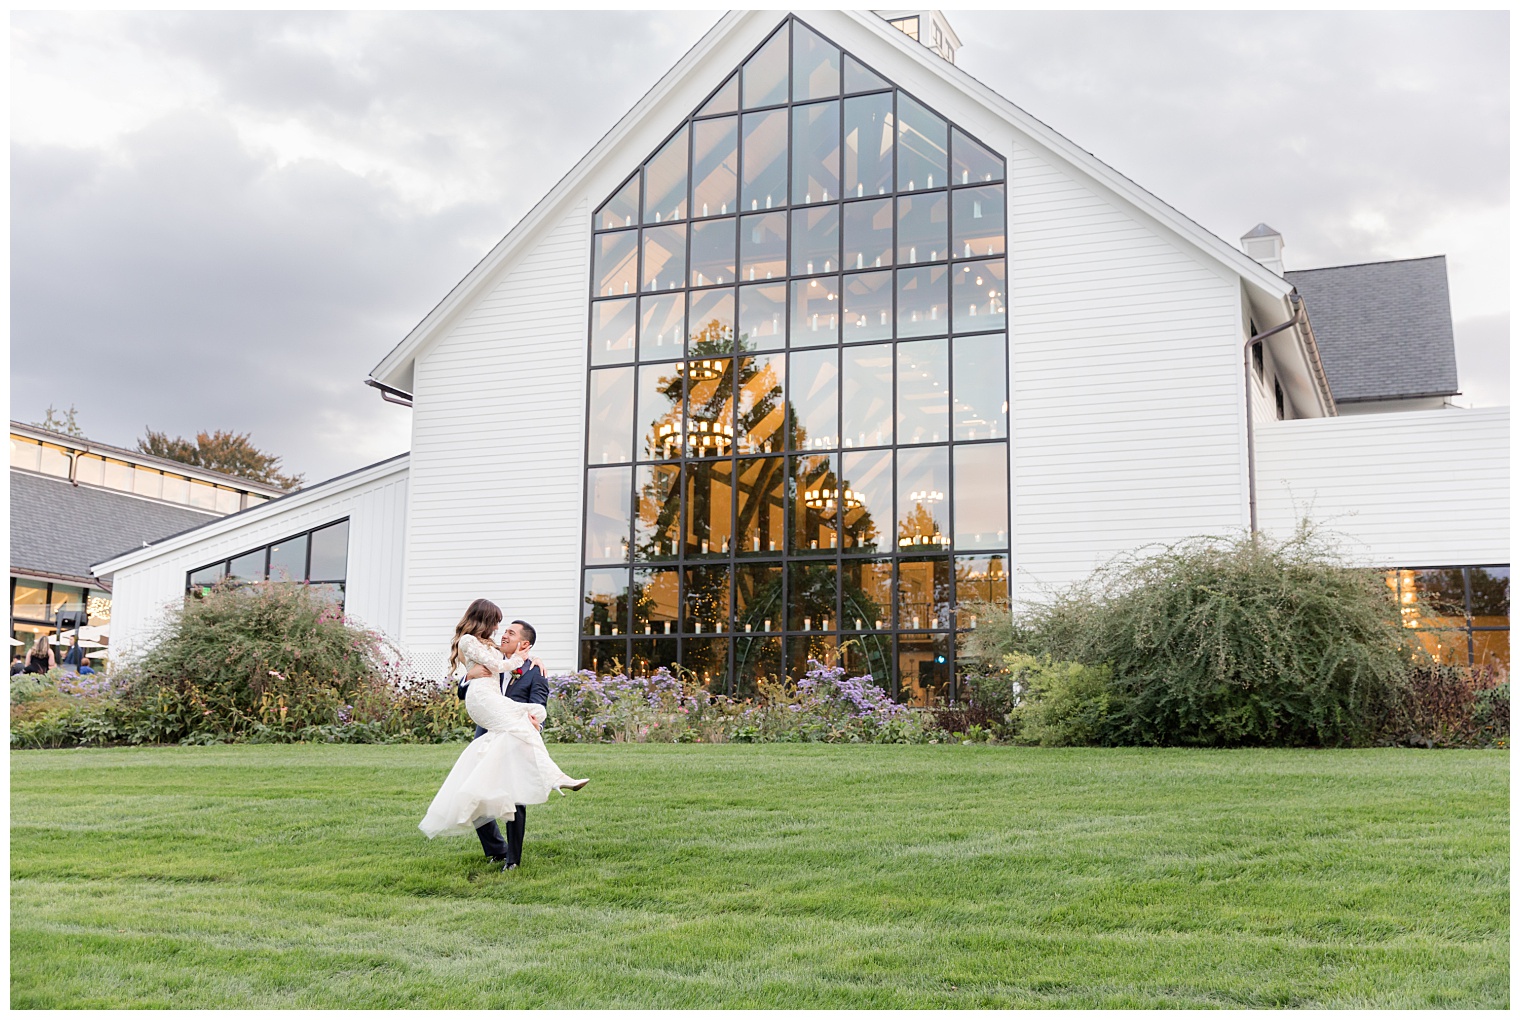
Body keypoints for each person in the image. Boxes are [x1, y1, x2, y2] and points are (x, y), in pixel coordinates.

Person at [419, 600, 587, 871]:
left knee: (515, 799)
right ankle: (496, 849)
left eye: (511, 633)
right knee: (473, 794)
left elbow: (538, 707)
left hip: (513, 736)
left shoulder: (535, 672)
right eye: (503, 629)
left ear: (525, 644)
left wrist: (536, 723)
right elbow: (466, 688)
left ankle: (513, 859)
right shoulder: (488, 651)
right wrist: (468, 677)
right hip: (487, 730)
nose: (503, 634)